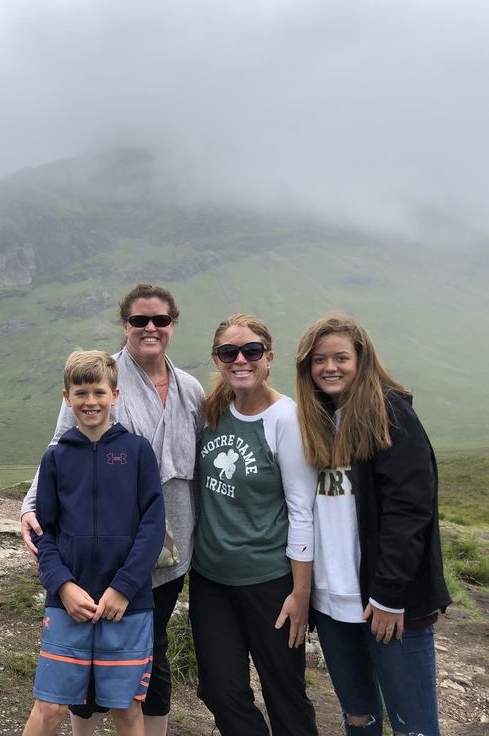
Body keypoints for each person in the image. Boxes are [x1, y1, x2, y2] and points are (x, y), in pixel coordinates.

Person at [21, 282, 204, 736]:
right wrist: (31, 505)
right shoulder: (102, 376)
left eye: (160, 320)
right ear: (125, 325)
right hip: (87, 558)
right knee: (83, 661)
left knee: (150, 652)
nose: (150, 328)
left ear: (172, 325)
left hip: (162, 552)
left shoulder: (191, 389)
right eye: (139, 320)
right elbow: (59, 451)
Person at [294, 313, 451, 736]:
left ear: (361, 360)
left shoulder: (389, 412)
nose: (330, 367)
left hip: (385, 603)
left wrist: (388, 595)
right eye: (319, 359)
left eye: (341, 357)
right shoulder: (319, 420)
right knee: (358, 718)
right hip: (331, 604)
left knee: (413, 726)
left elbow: (410, 510)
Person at [22, 350, 166, 736]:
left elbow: (152, 527)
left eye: (99, 392)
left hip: (129, 605)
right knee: (49, 706)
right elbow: (45, 533)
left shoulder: (138, 452)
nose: (90, 401)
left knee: (126, 709)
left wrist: (123, 588)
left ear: (114, 395)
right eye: (81, 393)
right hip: (68, 602)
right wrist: (63, 586)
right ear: (66, 398)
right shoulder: (54, 458)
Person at [190, 314, 319, 736]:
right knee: (219, 690)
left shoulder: (286, 419)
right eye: (230, 352)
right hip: (211, 580)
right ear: (217, 358)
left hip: (270, 581)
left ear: (269, 358)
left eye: (251, 351)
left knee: (284, 692)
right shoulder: (211, 411)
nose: (240, 359)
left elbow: (302, 510)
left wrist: (300, 593)